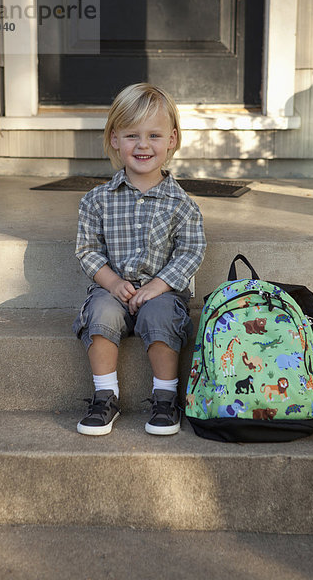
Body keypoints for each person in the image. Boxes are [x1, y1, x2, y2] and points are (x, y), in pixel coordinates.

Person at [73, 82, 206, 436]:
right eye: (132, 135)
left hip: (162, 293)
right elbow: (87, 250)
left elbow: (191, 251)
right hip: (112, 290)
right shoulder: (97, 200)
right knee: (99, 313)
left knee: (162, 314)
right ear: (115, 139)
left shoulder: (182, 205)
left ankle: (165, 398)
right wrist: (113, 283)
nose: (143, 145)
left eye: (154, 135)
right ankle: (105, 395)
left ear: (172, 139)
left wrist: (158, 286)